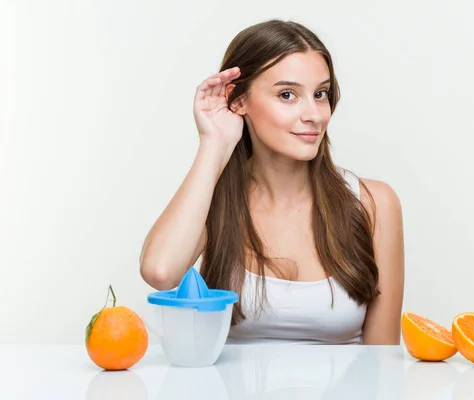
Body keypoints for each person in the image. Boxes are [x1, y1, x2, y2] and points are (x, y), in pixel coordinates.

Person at [139, 19, 405, 345]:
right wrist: (214, 143)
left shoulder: (373, 203)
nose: (314, 114)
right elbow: (161, 273)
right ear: (237, 100)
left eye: (321, 93)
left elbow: (382, 363)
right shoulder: (212, 200)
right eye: (288, 94)